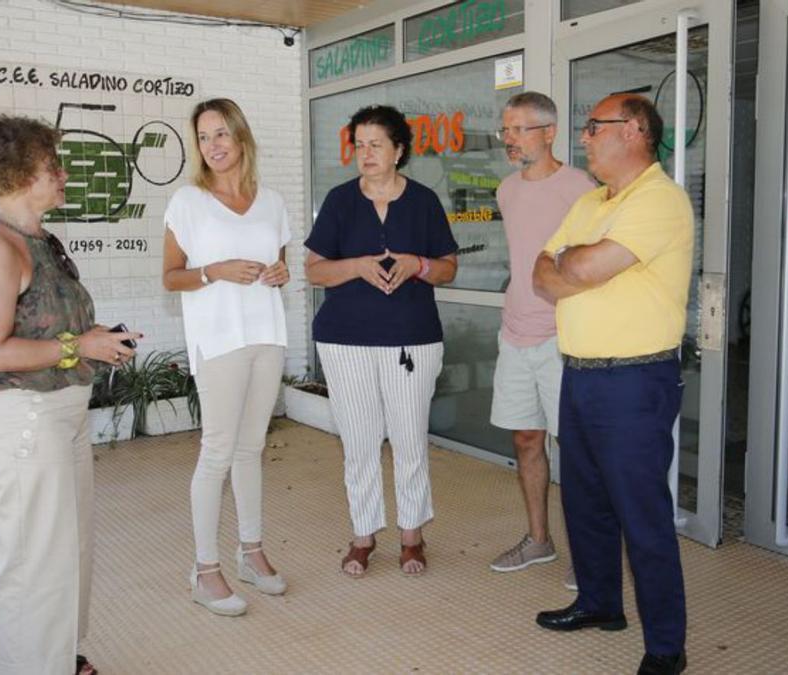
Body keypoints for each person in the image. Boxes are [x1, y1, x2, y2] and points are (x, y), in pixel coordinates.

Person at [0, 115, 141, 675]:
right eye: (51, 166)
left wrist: (96, 342)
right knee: (34, 558)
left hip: (61, 413)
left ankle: (59, 657)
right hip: (26, 419)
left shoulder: (41, 239)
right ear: (16, 174)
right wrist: (77, 346)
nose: (62, 175)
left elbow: (50, 327)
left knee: (68, 551)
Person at [533, 94, 693, 675]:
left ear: (631, 130)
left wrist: (571, 262)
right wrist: (574, 262)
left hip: (634, 381)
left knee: (641, 516)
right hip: (579, 373)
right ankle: (601, 604)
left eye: (592, 127)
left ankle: (666, 647)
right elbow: (542, 274)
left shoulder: (660, 200)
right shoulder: (590, 201)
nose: (583, 137)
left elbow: (576, 269)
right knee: (585, 504)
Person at [305, 105, 458, 577]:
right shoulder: (339, 201)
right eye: (359, 144)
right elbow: (312, 270)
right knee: (360, 442)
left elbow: (449, 268)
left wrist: (419, 265)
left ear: (399, 151)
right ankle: (363, 534)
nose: (365, 153)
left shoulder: (425, 202)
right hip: (345, 341)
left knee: (410, 439)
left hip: (412, 341)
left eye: (376, 144)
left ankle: (412, 535)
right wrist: (356, 265)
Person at [162, 98, 291, 617]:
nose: (212, 145)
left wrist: (280, 272)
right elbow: (171, 277)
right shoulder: (187, 202)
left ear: (241, 137)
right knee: (217, 451)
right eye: (203, 137)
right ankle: (204, 570)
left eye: (221, 134)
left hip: (267, 334)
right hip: (218, 339)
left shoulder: (273, 200)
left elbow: (278, 264)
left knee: (250, 447)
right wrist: (213, 270)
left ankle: (250, 551)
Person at [488, 92, 596, 588]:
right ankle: (538, 540)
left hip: (564, 338)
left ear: (549, 132)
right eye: (505, 130)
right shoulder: (506, 191)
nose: (509, 139)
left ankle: (588, 553)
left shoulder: (580, 187)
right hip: (515, 335)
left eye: (519, 129)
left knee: (575, 449)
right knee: (527, 439)